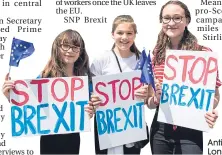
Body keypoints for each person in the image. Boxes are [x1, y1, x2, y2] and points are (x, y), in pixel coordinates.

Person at [137, 1, 221, 154]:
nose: (171, 23)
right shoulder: (155, 54)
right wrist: (155, 98)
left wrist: (210, 110)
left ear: (187, 20)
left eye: (177, 18)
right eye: (166, 18)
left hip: (191, 128)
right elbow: (149, 103)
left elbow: (214, 96)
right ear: (161, 21)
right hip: (160, 130)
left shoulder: (203, 54)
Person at [2, 29, 101, 155]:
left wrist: (92, 109)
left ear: (80, 51)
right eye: (65, 45)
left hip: (73, 138)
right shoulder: (46, 76)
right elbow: (30, 106)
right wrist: (10, 96)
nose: (70, 51)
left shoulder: (85, 79)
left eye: (75, 47)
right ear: (57, 48)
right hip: (49, 139)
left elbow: (90, 107)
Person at [90, 15, 149, 155]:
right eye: (120, 33)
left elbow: (150, 94)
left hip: (132, 122)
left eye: (129, 33)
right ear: (112, 34)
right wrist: (93, 98)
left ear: (135, 35)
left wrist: (146, 94)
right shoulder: (102, 59)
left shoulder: (141, 59)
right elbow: (90, 88)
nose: (124, 37)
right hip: (106, 123)